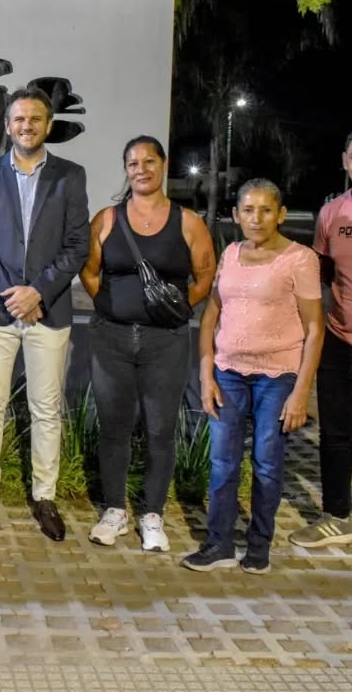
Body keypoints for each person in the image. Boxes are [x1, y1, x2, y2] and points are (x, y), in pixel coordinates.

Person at [0, 86, 88, 540]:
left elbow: (77, 245)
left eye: (35, 119)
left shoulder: (70, 176)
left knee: (46, 409)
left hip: (47, 312)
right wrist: (13, 294)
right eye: (19, 119)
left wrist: (37, 292)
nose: (26, 126)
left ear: (48, 125)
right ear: (7, 125)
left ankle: (45, 496)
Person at [80, 136, 215, 551]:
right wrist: (111, 305)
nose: (141, 169)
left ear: (163, 165)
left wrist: (177, 310)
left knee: (161, 429)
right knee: (114, 428)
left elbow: (205, 275)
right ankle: (115, 511)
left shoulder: (188, 222)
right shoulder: (107, 219)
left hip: (166, 341)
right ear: (126, 169)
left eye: (149, 161)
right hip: (112, 338)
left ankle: (152, 515)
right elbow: (89, 272)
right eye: (133, 163)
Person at [182, 179, 323, 573]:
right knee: (222, 463)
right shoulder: (230, 254)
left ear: (281, 214)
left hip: (276, 377)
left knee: (267, 463)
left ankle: (259, 546)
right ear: (236, 215)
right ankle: (219, 544)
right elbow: (210, 316)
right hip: (228, 373)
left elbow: (314, 329)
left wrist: (301, 392)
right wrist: (207, 373)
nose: (256, 218)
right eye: (248, 210)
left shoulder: (300, 259)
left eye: (265, 210)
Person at [290, 123, 352, 548]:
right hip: (341, 343)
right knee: (336, 438)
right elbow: (321, 277)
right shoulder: (331, 214)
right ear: (345, 162)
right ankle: (336, 518)